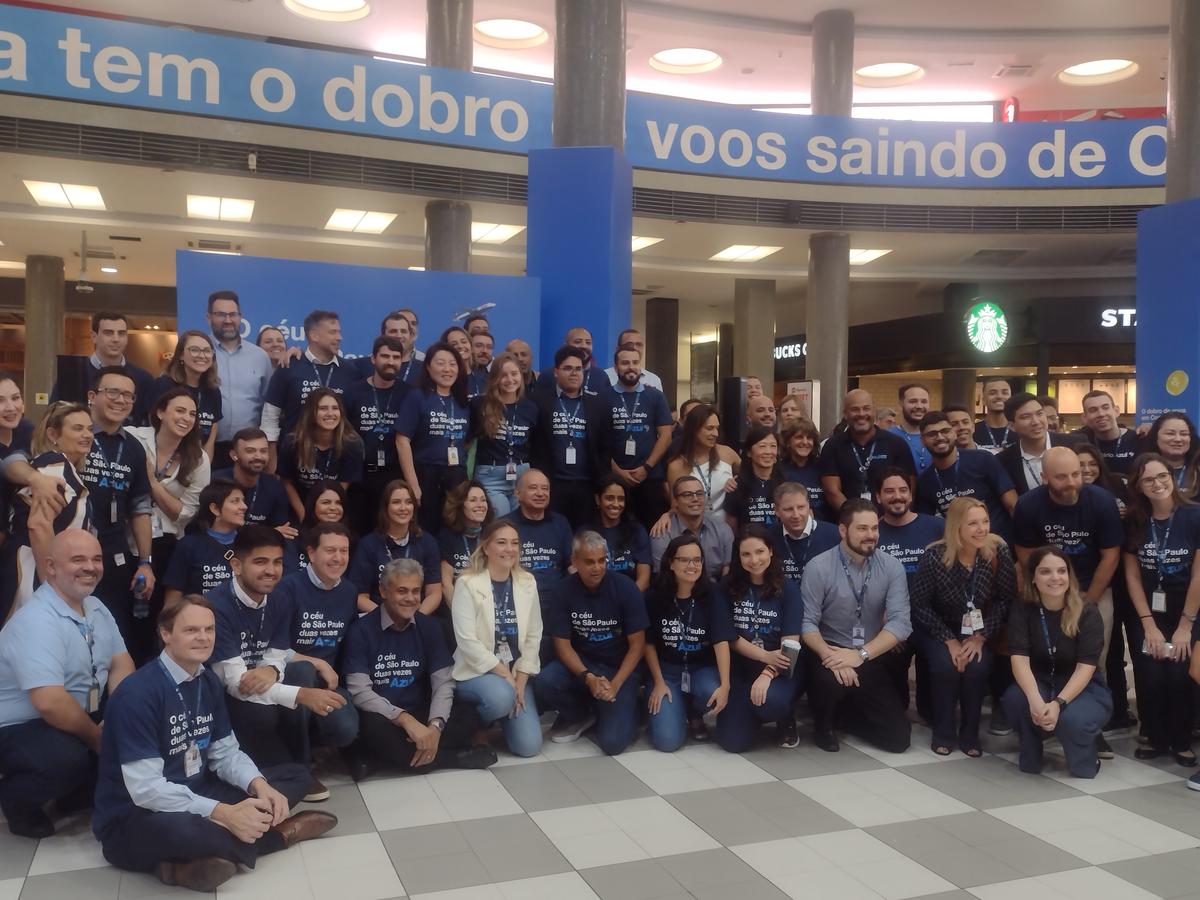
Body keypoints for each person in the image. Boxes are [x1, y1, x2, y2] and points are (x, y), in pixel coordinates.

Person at [93, 594, 335, 892]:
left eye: (209, 629)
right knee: (188, 831)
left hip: (198, 787)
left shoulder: (206, 680)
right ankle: (279, 835)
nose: (203, 637)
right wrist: (223, 812)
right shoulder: (137, 695)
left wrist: (260, 786)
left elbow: (225, 753)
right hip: (138, 813)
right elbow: (146, 790)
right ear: (165, 634)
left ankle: (198, 859)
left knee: (294, 778)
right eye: (192, 630)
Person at [0, 530, 134, 838]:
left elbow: (120, 664)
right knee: (66, 760)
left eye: (96, 559)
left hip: (76, 716)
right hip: (20, 725)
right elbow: (49, 703)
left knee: (125, 743)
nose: (90, 567)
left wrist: (119, 718)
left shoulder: (97, 608)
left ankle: (71, 791)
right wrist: (97, 740)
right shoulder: (36, 620)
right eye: (78, 559)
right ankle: (16, 802)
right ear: (50, 567)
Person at [206, 526, 346, 800]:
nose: (271, 570)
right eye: (260, 561)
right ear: (236, 564)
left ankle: (299, 766)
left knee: (301, 671)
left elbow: (278, 653)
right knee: (265, 710)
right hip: (220, 694)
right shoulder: (216, 606)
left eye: (277, 562)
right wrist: (302, 695)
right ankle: (275, 770)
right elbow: (235, 685)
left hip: (258, 681)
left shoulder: (280, 597)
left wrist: (271, 670)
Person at [1013, 446, 1123, 758]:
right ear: (1044, 477)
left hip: (1091, 589)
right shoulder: (1028, 505)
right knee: (1040, 656)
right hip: (1044, 590)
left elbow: (1110, 556)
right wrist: (1047, 590)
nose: (1072, 482)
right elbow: (1024, 553)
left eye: (1076, 474)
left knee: (1093, 659)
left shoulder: (1101, 501)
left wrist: (1086, 603)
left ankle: (1089, 726)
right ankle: (1043, 716)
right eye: (1062, 477)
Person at [342, 558, 496, 778]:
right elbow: (359, 692)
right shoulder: (360, 630)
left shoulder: (429, 627)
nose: (410, 598)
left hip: (421, 711)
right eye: (402, 591)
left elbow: (443, 682)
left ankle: (383, 760)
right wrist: (404, 719)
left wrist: (434, 727)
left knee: (468, 715)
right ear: (383, 591)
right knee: (370, 729)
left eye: (416, 591)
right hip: (384, 715)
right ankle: (453, 758)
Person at [800, 499, 912, 753]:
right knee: (828, 682)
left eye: (874, 528)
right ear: (843, 530)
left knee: (898, 740)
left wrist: (859, 656)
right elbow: (807, 623)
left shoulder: (892, 567)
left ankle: (845, 716)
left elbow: (900, 622)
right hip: (828, 651)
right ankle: (824, 724)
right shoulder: (819, 567)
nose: (870, 535)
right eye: (862, 529)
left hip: (868, 652)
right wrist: (832, 657)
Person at [909, 498, 1016, 756]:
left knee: (977, 667)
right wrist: (949, 639)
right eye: (973, 524)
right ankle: (943, 732)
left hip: (978, 629)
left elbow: (1005, 599)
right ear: (957, 527)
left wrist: (980, 637)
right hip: (938, 627)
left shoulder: (997, 551)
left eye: (985, 522)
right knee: (947, 666)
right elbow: (919, 605)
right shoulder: (935, 556)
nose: (981, 529)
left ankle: (970, 734)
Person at [1003, 546, 1110, 778]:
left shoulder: (1087, 611)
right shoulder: (1023, 608)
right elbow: (1019, 659)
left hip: (1082, 688)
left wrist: (1058, 704)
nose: (1055, 578)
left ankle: (1087, 754)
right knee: (1015, 699)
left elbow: (1086, 668)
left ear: (1069, 576)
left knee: (1071, 722)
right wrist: (1035, 701)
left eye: (1061, 571)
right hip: (1040, 680)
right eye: (1046, 572)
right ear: (1033, 577)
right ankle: (1031, 749)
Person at [535, 531, 647, 753]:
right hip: (582, 663)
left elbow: (638, 646)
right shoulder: (562, 591)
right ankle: (582, 713)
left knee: (612, 744)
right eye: (589, 562)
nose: (597, 567)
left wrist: (614, 685)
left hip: (619, 668)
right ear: (574, 562)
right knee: (545, 681)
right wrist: (588, 678)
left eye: (601, 560)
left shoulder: (626, 588)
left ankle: (636, 708)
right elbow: (562, 645)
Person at [1124, 454, 1200, 766]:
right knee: (1150, 673)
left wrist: (1186, 625)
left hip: (1188, 606)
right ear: (1139, 486)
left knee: (1180, 673)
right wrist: (1147, 622)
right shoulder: (1133, 520)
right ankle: (1154, 735)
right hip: (1147, 608)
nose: (1157, 484)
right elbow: (1131, 574)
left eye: (1162, 476)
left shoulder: (1194, 516)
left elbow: (1199, 574)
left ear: (1172, 477)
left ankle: (1181, 739)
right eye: (1148, 479)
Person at [451, 520, 544, 758]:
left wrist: (521, 679)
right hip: (478, 672)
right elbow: (466, 641)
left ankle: (502, 713)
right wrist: (505, 675)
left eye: (514, 543)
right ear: (485, 548)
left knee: (528, 747)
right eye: (501, 543)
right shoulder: (467, 583)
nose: (509, 549)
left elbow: (534, 634)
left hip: (514, 674)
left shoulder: (527, 582)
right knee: (501, 696)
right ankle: (474, 725)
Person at [273, 523, 361, 768]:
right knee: (302, 671)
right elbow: (273, 648)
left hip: (328, 682)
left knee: (346, 729)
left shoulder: (349, 591)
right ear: (311, 554)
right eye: (330, 551)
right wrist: (317, 662)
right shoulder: (288, 588)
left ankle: (311, 744)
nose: (338, 558)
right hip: (289, 677)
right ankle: (297, 765)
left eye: (344, 551)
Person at [82, 367, 156, 639]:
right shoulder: (78, 434)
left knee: (112, 632)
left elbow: (141, 509)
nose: (121, 400)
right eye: (113, 392)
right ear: (92, 396)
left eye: (128, 395)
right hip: (74, 550)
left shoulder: (134, 447)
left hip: (115, 554)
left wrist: (145, 562)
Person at [716, 525, 804, 752]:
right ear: (738, 556)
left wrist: (767, 672)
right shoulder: (726, 586)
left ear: (771, 551)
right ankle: (750, 715)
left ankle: (784, 716)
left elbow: (791, 646)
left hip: (779, 669)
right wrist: (764, 655)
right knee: (732, 743)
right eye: (746, 554)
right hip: (742, 669)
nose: (754, 560)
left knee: (771, 702)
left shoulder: (789, 589)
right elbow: (729, 636)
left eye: (760, 552)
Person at [3, 403, 93, 617]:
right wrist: (52, 585)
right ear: (53, 434)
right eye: (77, 428)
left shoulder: (66, 467)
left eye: (90, 429)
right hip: (29, 571)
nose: (87, 434)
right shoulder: (54, 464)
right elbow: (39, 525)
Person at [643, 535, 732, 750]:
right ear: (671, 563)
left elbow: (721, 641)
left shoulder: (713, 593)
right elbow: (648, 643)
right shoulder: (654, 595)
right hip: (667, 672)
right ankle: (669, 714)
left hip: (701, 669)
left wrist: (725, 685)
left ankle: (694, 714)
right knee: (667, 741)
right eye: (684, 560)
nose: (692, 565)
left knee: (712, 689)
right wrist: (658, 682)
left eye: (697, 560)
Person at [530, 345, 611, 529]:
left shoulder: (597, 404)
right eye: (567, 368)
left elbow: (605, 447)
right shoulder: (539, 401)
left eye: (578, 369)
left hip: (586, 485)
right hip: (552, 484)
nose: (574, 373)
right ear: (556, 372)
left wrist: (602, 483)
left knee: (582, 536)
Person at [394, 341, 472, 533]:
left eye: (453, 364)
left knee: (455, 531)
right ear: (428, 367)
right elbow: (402, 440)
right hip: (425, 475)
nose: (447, 369)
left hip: (456, 476)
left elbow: (468, 440)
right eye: (440, 363)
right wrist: (413, 485)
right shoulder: (417, 397)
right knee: (426, 530)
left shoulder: (463, 400)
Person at [261, 310, 354, 461]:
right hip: (292, 458)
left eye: (339, 332)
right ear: (314, 335)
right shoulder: (289, 365)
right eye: (333, 332)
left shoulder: (350, 370)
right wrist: (272, 456)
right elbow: (270, 416)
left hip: (336, 459)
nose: (339, 338)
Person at [343, 335, 411, 535]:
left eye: (396, 357)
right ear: (373, 359)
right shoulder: (353, 392)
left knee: (389, 532)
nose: (390, 362)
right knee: (356, 532)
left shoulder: (409, 393)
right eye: (385, 356)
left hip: (394, 476)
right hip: (359, 475)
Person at [915, 410, 1017, 541]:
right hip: (962, 552)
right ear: (922, 441)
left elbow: (1013, 505)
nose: (940, 437)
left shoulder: (983, 459)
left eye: (945, 431)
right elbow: (926, 525)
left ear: (954, 433)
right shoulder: (925, 481)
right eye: (932, 434)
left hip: (999, 545)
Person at [605, 342, 673, 528]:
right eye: (625, 363)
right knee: (617, 527)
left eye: (635, 362)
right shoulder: (604, 397)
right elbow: (598, 441)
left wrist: (647, 468)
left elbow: (666, 435)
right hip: (615, 479)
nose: (631, 367)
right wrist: (617, 471)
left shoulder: (655, 396)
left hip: (650, 478)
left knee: (652, 529)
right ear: (616, 366)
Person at [350, 480, 441, 615]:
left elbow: (434, 592)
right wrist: (387, 617)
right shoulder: (368, 544)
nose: (403, 508)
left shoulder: (427, 542)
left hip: (416, 616)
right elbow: (360, 596)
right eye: (396, 502)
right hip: (378, 618)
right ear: (386, 507)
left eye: (409, 502)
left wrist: (416, 618)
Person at [52, 311, 155, 427]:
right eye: (108, 333)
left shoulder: (143, 378)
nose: (116, 339)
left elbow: (148, 422)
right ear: (94, 337)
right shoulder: (72, 375)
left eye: (121, 333)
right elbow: (55, 418)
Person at [820, 389, 915, 511]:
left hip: (890, 521)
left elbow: (909, 487)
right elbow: (832, 491)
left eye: (866, 408)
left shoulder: (896, 444)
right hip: (848, 522)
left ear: (874, 411)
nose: (861, 414)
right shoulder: (832, 446)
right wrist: (856, 518)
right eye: (855, 409)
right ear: (845, 413)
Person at [277, 388, 364, 521]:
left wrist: (326, 515)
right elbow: (286, 482)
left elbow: (341, 489)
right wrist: (304, 516)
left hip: (335, 508)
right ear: (311, 413)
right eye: (323, 408)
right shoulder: (292, 443)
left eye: (335, 408)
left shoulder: (352, 444)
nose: (330, 413)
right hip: (300, 507)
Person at [502, 469, 574, 625]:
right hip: (517, 604)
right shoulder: (505, 526)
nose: (540, 493)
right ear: (517, 493)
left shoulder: (560, 523)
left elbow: (572, 565)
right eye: (533, 488)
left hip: (556, 604)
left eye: (545, 488)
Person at [471, 352, 539, 516]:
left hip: (521, 475)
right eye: (503, 376)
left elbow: (535, 445)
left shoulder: (531, 407)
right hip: (491, 475)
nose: (510, 380)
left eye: (514, 374)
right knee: (501, 522)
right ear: (495, 379)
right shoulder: (480, 404)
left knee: (520, 526)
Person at [163, 480, 246, 603]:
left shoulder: (250, 543)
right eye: (235, 501)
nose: (244, 507)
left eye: (243, 501)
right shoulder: (188, 545)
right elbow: (172, 599)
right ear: (215, 509)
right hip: (200, 618)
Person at [146, 330, 223, 461]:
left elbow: (211, 435)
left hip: (197, 464)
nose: (201, 355)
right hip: (162, 462)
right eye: (194, 350)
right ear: (180, 355)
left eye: (207, 351)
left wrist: (203, 469)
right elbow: (153, 427)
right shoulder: (163, 385)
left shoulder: (213, 391)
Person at [212, 427, 294, 536]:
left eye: (263, 451)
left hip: (260, 547)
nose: (258, 456)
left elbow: (283, 530)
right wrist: (269, 533)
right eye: (250, 451)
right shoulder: (216, 481)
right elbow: (210, 529)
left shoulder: (274, 486)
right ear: (234, 455)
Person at [650, 475, 734, 579]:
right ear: (675, 501)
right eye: (687, 494)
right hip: (676, 590)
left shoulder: (722, 530)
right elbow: (663, 576)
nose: (695, 499)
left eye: (699, 494)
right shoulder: (663, 533)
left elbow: (728, 571)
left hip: (715, 590)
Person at [996, 392, 1077, 496]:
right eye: (1026, 417)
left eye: (1039, 414)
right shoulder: (1003, 461)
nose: (1036, 422)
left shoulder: (1074, 444)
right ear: (1012, 426)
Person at [875, 469, 945, 587]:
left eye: (903, 490)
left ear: (911, 495)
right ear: (878, 497)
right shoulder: (872, 533)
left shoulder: (939, 527)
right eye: (889, 491)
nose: (897, 496)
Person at [665, 403, 738, 514]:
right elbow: (675, 506)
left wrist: (738, 482)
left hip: (727, 526)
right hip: (693, 526)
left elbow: (752, 476)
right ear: (694, 430)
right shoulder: (677, 466)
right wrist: (666, 515)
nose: (715, 434)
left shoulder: (727, 453)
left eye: (717, 428)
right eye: (709, 428)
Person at [767, 482, 840, 584]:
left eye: (801, 507)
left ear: (808, 506)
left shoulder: (835, 535)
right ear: (776, 510)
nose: (796, 515)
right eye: (788, 509)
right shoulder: (768, 538)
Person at [591, 476, 652, 591]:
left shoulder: (637, 531)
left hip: (630, 599)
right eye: (609, 498)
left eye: (620, 499)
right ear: (598, 500)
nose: (616, 504)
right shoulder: (586, 533)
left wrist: (627, 600)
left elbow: (644, 580)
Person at [724, 425, 781, 532]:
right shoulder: (736, 486)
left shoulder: (786, 483)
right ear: (749, 452)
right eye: (762, 446)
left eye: (773, 446)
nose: (768, 452)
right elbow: (731, 530)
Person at [285, 481, 350, 574]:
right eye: (326, 502)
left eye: (338, 503)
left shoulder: (352, 541)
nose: (333, 507)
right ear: (313, 505)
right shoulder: (293, 536)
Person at [533, 326, 610, 395]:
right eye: (577, 342)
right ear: (565, 345)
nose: (584, 346)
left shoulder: (602, 377)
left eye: (588, 342)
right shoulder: (547, 376)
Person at [1078, 390, 1138, 476]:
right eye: (1093, 410)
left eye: (1105, 407)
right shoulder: (1081, 442)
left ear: (1116, 411)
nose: (1101, 414)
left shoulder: (1138, 439)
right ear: (1084, 418)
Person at [779, 418, 827, 521]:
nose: (805, 442)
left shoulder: (823, 467)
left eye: (809, 438)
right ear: (788, 441)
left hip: (822, 527)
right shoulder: (779, 469)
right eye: (799, 437)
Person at [1146, 412, 1199, 496]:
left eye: (1184, 434)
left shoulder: (1198, 468)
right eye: (1170, 433)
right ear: (1156, 437)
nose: (1178, 439)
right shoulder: (1144, 470)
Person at [893, 383, 932, 472]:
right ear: (900, 405)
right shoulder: (889, 437)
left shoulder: (937, 436)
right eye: (913, 401)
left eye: (924, 401)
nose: (919, 406)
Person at [973, 378, 1014, 451]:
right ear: (984, 400)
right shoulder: (973, 431)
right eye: (992, 393)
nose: (999, 396)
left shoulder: (1020, 429)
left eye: (1004, 393)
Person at [467, 331, 495, 398]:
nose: (484, 350)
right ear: (469, 348)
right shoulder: (456, 376)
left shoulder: (496, 379)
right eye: (479, 346)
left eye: (489, 347)